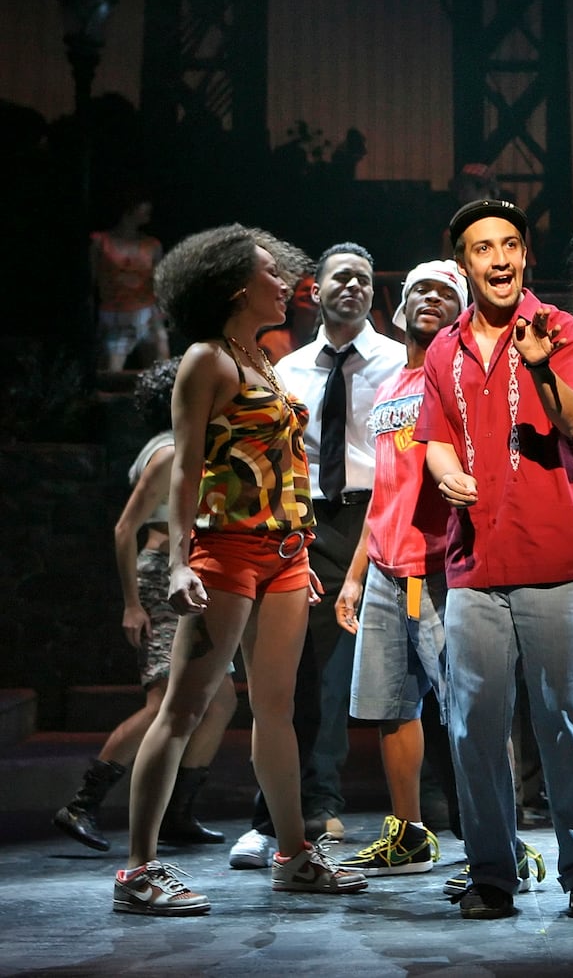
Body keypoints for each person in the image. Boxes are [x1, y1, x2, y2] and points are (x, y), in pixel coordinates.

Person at [112, 224, 368, 916]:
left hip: (284, 556)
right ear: (233, 286)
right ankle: (138, 870)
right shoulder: (207, 361)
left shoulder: (258, 358)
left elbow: (286, 468)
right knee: (183, 709)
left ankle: (294, 856)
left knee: (278, 712)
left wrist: (301, 546)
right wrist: (178, 559)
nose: (285, 282)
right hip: (223, 552)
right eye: (270, 273)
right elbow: (186, 465)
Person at [416, 198, 573, 920]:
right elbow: (434, 434)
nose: (498, 259)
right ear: (464, 263)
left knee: (569, 721)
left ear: (526, 256)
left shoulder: (556, 329)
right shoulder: (444, 349)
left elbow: (571, 417)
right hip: (473, 565)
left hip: (557, 559)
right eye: (482, 249)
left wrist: (538, 367)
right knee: (472, 727)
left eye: (509, 246)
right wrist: (443, 471)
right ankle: (492, 874)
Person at [228, 242, 404, 868]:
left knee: (337, 674)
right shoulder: (292, 367)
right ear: (315, 289)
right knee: (289, 674)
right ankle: (279, 813)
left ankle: (323, 806)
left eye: (362, 277)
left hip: (370, 513)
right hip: (303, 520)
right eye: (340, 277)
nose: (352, 286)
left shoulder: (397, 362)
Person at [54, 358, 237, 852]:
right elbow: (124, 529)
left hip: (191, 578)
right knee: (162, 702)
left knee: (220, 700)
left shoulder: (191, 445)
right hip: (161, 580)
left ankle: (178, 811)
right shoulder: (168, 452)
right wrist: (132, 604)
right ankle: (82, 803)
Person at [333, 259, 467, 875]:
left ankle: (494, 838)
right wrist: (355, 576)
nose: (433, 299)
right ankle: (409, 835)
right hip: (389, 573)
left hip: (442, 569)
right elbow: (382, 493)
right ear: (401, 307)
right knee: (393, 707)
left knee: (468, 707)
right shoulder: (389, 389)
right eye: (422, 291)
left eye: (447, 294)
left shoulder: (459, 380)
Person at [90, 188, 168, 372]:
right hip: (116, 316)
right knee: (110, 375)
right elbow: (91, 280)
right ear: (128, 208)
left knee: (161, 373)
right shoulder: (100, 242)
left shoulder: (152, 245)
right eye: (142, 203)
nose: (149, 208)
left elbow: (159, 283)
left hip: (148, 315)